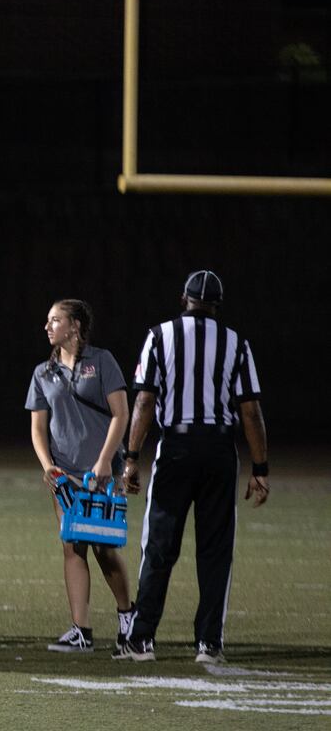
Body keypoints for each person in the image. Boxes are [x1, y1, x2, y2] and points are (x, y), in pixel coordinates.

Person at [115, 270, 270, 664]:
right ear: (216, 304)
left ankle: (142, 638)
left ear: (183, 298)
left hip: (177, 447)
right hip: (219, 449)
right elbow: (250, 411)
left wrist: (131, 458)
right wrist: (260, 467)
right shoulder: (236, 342)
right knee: (216, 550)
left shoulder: (160, 335)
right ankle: (208, 643)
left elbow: (145, 403)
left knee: (160, 546)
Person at [25, 299, 135, 653]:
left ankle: (127, 618)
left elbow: (121, 414)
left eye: (54, 320)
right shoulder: (43, 372)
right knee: (73, 546)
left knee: (104, 546)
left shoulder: (102, 361)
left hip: (102, 472)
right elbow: (38, 429)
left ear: (74, 326)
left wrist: (105, 462)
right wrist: (48, 467)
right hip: (65, 473)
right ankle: (81, 630)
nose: (47, 327)